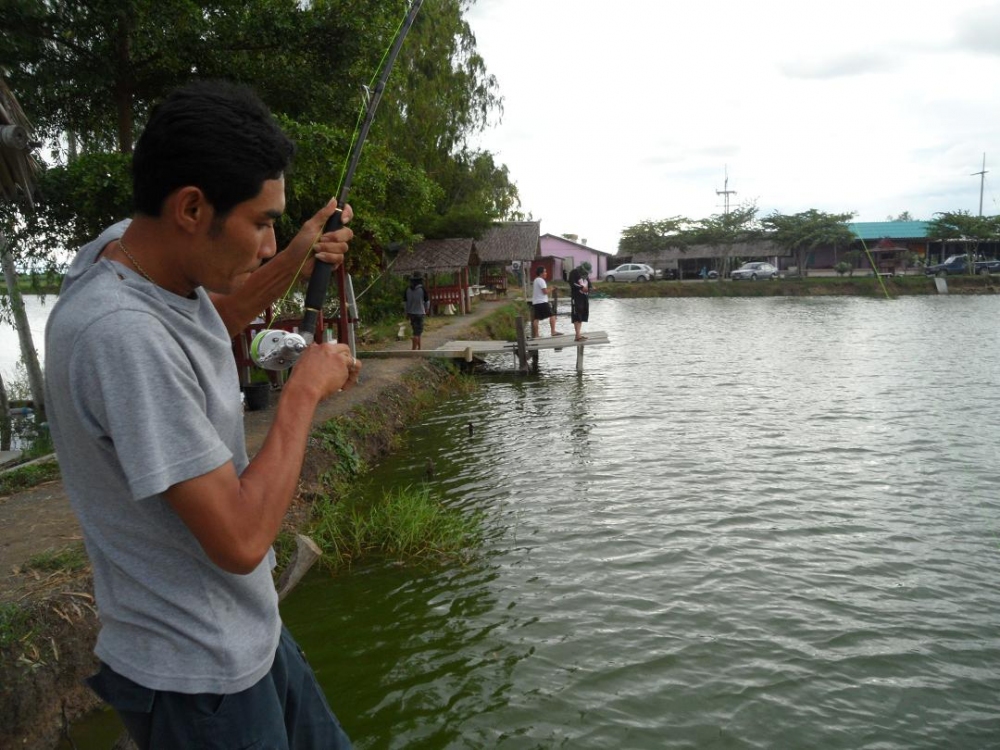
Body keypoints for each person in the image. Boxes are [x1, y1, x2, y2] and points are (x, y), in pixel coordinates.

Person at [44, 81, 358, 749]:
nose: (269, 245)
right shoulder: (122, 336)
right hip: (196, 678)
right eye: (262, 221)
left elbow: (208, 325)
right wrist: (303, 391)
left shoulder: (128, 251)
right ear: (191, 206)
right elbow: (241, 540)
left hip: (243, 634)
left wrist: (303, 249)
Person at [530, 266, 563, 338]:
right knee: (552, 315)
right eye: (544, 272)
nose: (546, 273)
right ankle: (553, 332)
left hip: (536, 302)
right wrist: (552, 289)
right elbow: (545, 292)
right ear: (541, 273)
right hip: (542, 302)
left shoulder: (536, 280)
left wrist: (550, 288)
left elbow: (542, 290)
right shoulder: (541, 280)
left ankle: (536, 335)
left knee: (536, 318)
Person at [403, 271, 430, 350]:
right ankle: (414, 349)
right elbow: (427, 301)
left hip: (411, 313)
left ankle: (419, 348)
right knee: (417, 332)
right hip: (420, 313)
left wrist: (406, 312)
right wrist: (427, 309)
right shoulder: (422, 289)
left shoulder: (407, 290)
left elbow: (405, 303)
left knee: (416, 331)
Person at [568, 261, 594, 341]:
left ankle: (578, 334)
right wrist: (581, 288)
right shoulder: (574, 272)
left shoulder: (585, 275)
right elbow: (572, 283)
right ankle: (577, 335)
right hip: (576, 297)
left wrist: (591, 288)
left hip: (584, 297)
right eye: (586, 271)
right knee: (577, 315)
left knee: (581, 315)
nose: (587, 273)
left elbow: (589, 284)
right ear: (582, 268)